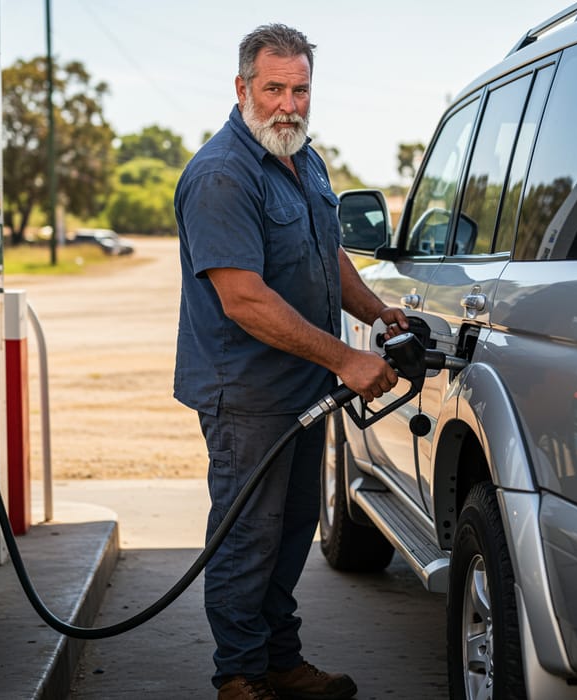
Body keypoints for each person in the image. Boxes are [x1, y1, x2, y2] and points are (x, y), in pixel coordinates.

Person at [173, 23, 409, 700]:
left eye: (299, 89)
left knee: (292, 531)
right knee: (249, 536)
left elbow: (324, 250)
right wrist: (347, 360)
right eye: (273, 88)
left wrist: (374, 312)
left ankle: (280, 660)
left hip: (303, 386)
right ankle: (239, 678)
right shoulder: (222, 174)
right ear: (242, 87)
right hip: (247, 393)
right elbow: (244, 300)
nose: (288, 104)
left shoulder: (305, 159)